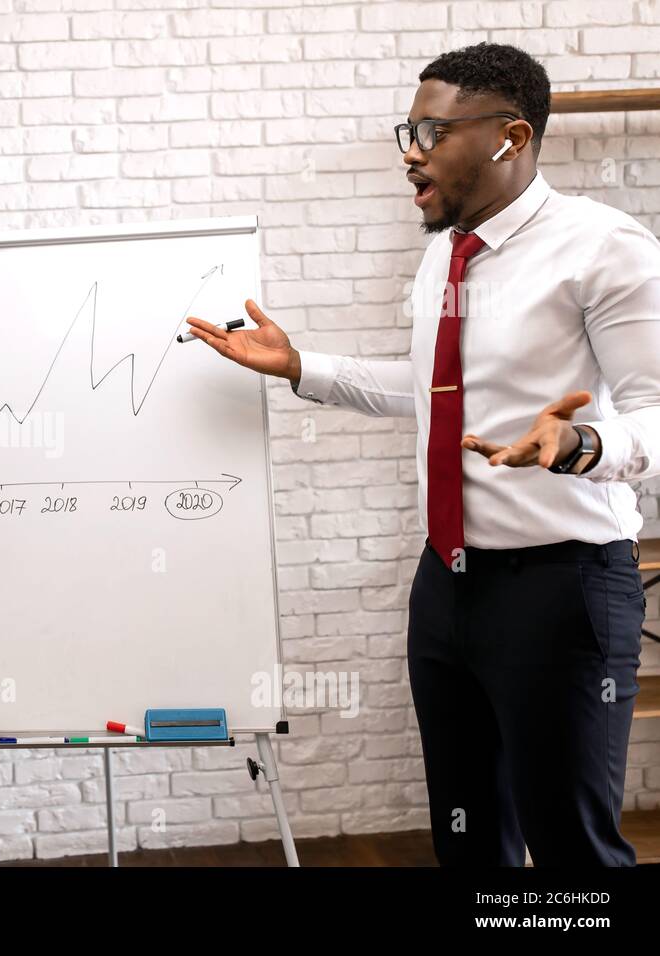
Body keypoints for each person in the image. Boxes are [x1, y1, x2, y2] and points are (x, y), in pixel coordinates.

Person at [187, 43, 659, 866]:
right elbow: (434, 393)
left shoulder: (605, 247)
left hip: (563, 588)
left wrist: (582, 443)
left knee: (572, 853)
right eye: (409, 129)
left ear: (511, 137)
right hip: (446, 587)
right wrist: (300, 366)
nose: (411, 151)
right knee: (469, 840)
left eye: (433, 131)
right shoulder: (446, 250)